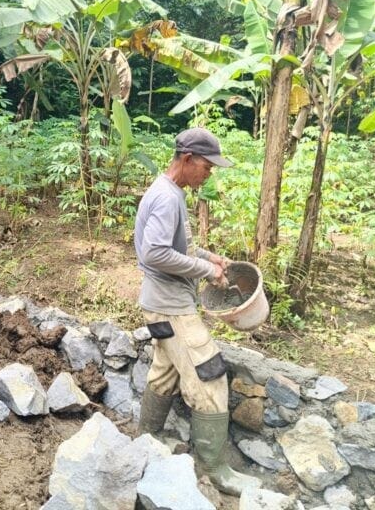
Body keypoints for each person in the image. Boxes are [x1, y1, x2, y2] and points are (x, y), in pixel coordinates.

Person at [134, 127, 260, 495]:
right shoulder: (167, 198)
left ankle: (149, 438)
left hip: (161, 305)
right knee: (210, 377)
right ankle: (214, 468)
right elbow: (154, 253)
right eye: (207, 166)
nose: (210, 173)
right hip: (171, 308)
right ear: (187, 159)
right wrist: (208, 271)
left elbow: (177, 247)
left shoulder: (171, 192)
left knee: (165, 372)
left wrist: (209, 256)